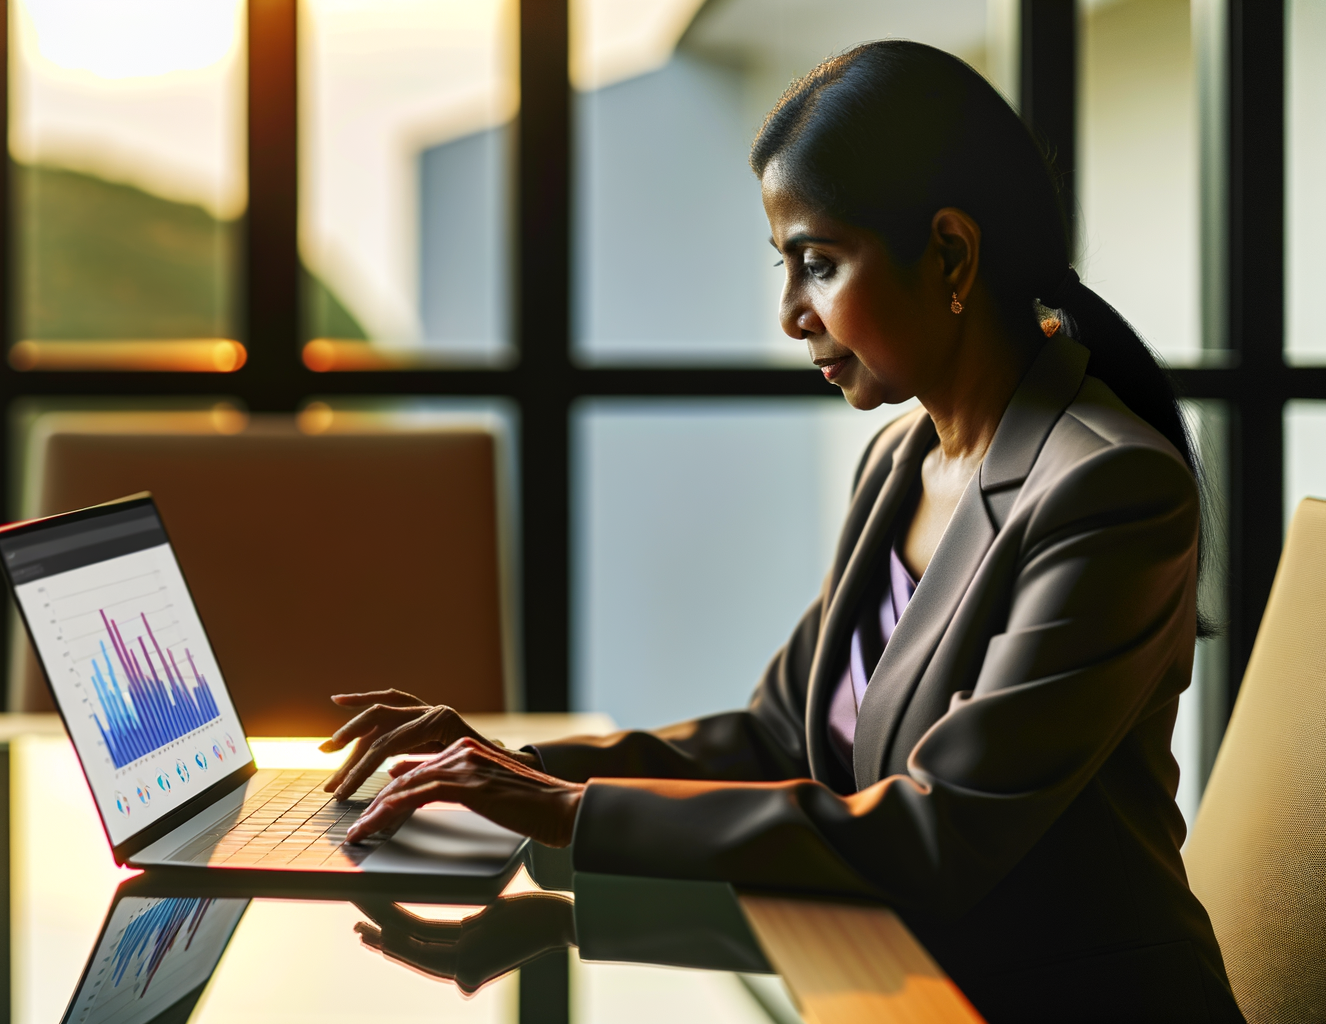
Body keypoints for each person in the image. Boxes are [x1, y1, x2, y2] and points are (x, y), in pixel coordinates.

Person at [317, 40, 1243, 1023]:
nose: (792, 314)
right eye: (785, 266)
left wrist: (568, 814)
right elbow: (774, 736)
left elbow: (941, 830)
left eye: (818, 264)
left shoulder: (1108, 487)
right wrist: (522, 772)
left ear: (950, 254)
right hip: (878, 971)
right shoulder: (900, 460)